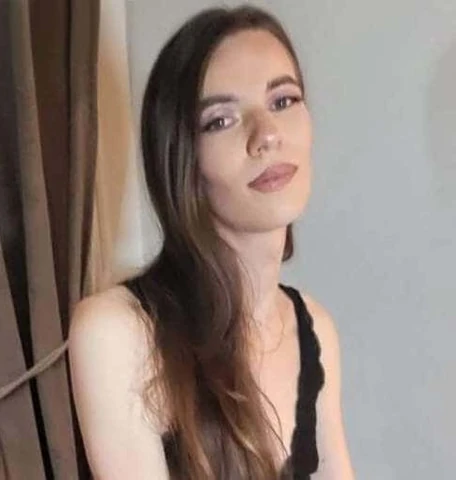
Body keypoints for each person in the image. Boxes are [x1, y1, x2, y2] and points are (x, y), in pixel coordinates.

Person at [68, 5, 355, 479]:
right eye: (221, 120)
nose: (267, 135)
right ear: (182, 157)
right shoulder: (119, 332)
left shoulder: (313, 329)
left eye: (283, 100)